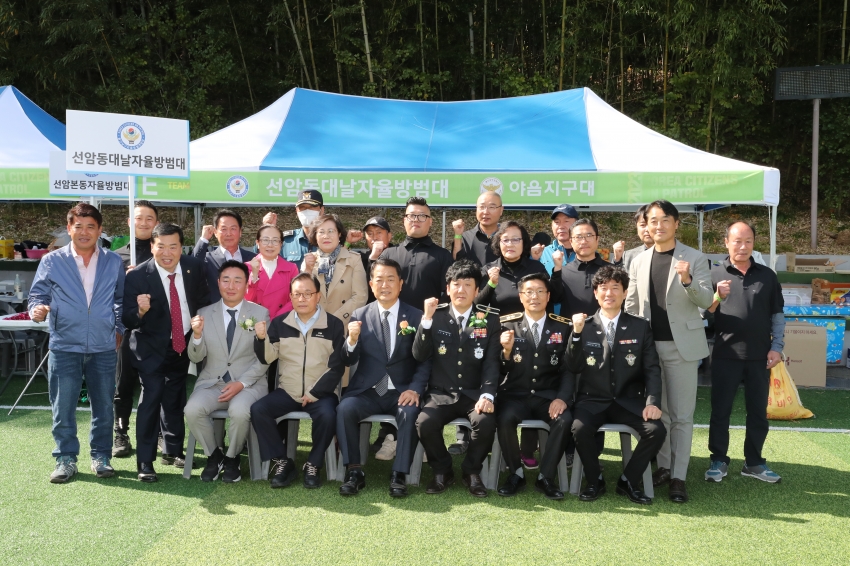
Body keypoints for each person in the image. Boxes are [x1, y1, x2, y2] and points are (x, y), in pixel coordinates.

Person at [29, 203, 125, 483]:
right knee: (63, 407)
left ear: (100, 230)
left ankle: (101, 456)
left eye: (90, 226)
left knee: (104, 406)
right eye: (78, 226)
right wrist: (38, 309)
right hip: (64, 345)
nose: (84, 232)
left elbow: (120, 301)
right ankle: (65, 459)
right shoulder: (52, 260)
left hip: (104, 347)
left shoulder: (112, 261)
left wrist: (117, 327)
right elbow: (37, 296)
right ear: (69, 228)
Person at [625, 200, 713, 503]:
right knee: (655, 414)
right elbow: (632, 306)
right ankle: (662, 467)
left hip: (682, 347)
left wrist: (687, 280)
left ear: (676, 223)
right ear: (645, 226)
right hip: (649, 349)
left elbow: (706, 300)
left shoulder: (695, 258)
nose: (658, 225)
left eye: (664, 220)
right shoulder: (638, 260)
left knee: (682, 416)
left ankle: (679, 476)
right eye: (652, 220)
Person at [568, 265, 666, 505]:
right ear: (595, 293)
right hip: (592, 400)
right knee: (579, 428)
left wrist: (652, 401)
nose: (609, 293)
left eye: (615, 288)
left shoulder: (640, 326)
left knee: (656, 430)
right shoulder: (584, 325)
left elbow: (652, 368)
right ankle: (595, 481)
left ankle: (628, 481)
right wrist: (577, 334)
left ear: (624, 293)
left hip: (628, 400)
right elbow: (572, 366)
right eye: (603, 288)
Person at [336, 258, 432, 498]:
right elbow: (348, 359)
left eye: (391, 279)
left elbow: (425, 359)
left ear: (400, 284)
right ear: (371, 284)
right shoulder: (360, 314)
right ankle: (354, 471)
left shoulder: (415, 315)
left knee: (410, 413)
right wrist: (351, 340)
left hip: (401, 390)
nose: (385, 284)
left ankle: (399, 474)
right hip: (367, 391)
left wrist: (415, 389)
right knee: (345, 409)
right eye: (379, 279)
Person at [123, 223, 211, 482]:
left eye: (173, 246)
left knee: (175, 398)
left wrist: (198, 326)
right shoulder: (137, 276)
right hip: (149, 351)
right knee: (151, 401)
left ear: (181, 248)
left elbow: (203, 300)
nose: (167, 252)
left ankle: (173, 451)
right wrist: (139, 311)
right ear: (152, 247)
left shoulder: (193, 268)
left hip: (181, 346)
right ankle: (145, 462)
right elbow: (127, 319)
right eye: (160, 246)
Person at [705, 221, 785, 484]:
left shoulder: (767, 275)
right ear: (726, 243)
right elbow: (703, 314)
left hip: (760, 356)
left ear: (754, 243)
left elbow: (777, 315)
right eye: (737, 241)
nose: (742, 246)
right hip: (726, 355)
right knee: (720, 411)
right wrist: (717, 296)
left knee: (758, 412)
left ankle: (754, 462)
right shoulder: (714, 274)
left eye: (748, 241)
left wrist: (777, 347)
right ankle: (718, 459)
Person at [413, 260, 500, 498]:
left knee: (485, 423)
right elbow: (419, 355)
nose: (461, 290)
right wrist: (426, 321)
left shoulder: (489, 319)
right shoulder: (436, 316)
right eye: (456, 284)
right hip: (441, 392)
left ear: (476, 290)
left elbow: (492, 361)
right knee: (425, 422)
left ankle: (471, 471)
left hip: (473, 393)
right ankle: (442, 470)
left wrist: (487, 394)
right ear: (447, 288)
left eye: (467, 285)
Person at [250, 273, 346, 489]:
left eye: (307, 294)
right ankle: (282, 461)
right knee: (258, 410)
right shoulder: (279, 324)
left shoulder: (333, 325)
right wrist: (261, 339)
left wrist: (316, 392)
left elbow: (337, 366)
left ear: (318, 296)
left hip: (320, 393)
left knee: (328, 414)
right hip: (288, 390)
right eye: (296, 294)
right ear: (290, 297)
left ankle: (313, 464)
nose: (302, 299)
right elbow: (267, 358)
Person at [185, 260, 271, 483]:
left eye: (237, 280)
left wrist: (241, 384)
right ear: (218, 283)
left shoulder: (260, 314)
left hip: (249, 384)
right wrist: (196, 335)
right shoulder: (204, 313)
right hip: (212, 382)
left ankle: (232, 458)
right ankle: (215, 455)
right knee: (192, 409)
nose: (231, 286)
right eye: (226, 280)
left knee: (240, 411)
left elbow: (265, 358)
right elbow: (195, 357)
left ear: (246, 284)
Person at [496, 273, 574, 500]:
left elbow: (569, 369)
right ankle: (516, 473)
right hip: (514, 395)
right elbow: (498, 368)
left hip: (547, 396)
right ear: (521, 296)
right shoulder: (505, 324)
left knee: (564, 420)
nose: (535, 297)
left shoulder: (563, 327)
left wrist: (562, 398)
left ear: (549, 296)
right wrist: (507, 352)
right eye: (529, 292)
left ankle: (545, 477)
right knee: (504, 418)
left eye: (540, 291)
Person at [113, 199, 158, 458]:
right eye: (138, 218)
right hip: (127, 331)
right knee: (124, 385)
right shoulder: (116, 257)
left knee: (157, 385)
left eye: (149, 219)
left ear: (156, 223)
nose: (143, 223)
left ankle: (161, 434)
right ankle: (121, 433)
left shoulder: (163, 255)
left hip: (156, 332)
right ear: (130, 221)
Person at [379, 196, 453, 310]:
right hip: (394, 322)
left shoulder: (443, 256)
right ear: (404, 220)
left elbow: (450, 293)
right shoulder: (388, 255)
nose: (416, 219)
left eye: (422, 216)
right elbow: (377, 288)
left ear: (430, 222)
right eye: (411, 215)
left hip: (429, 322)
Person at [477, 221, 563, 316]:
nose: (510, 244)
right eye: (505, 240)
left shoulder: (536, 268)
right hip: (500, 328)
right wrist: (491, 284)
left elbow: (555, 298)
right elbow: (477, 306)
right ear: (498, 243)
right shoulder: (489, 269)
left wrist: (557, 268)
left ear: (524, 242)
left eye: (515, 239)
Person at [303, 214, 368, 332]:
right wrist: (307, 269)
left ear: (339, 234)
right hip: (314, 327)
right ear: (315, 236)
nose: (326, 236)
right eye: (321, 232)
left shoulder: (354, 259)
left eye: (331, 231)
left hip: (343, 326)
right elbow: (302, 295)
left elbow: (360, 297)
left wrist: (334, 320)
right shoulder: (309, 260)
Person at [193, 209, 257, 302]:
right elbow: (193, 267)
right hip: (216, 313)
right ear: (215, 232)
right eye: (223, 229)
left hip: (248, 313)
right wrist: (204, 239)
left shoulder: (253, 258)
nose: (229, 233)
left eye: (233, 228)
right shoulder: (208, 259)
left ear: (240, 232)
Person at [559, 219, 613, 319]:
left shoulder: (612, 271)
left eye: (589, 236)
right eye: (578, 237)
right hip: (570, 332)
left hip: (604, 332)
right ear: (571, 241)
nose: (584, 241)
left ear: (597, 239)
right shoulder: (563, 272)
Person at [245, 224, 300, 321]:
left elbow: (295, 299)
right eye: (265, 240)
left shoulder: (291, 269)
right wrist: (253, 275)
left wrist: (275, 320)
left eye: (275, 240)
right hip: (255, 322)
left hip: (283, 322)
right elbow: (245, 300)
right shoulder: (246, 268)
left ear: (281, 244)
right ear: (257, 243)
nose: (270, 245)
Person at [451, 191, 503, 264]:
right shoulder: (465, 237)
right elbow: (456, 264)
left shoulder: (507, 238)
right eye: (482, 207)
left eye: (491, 207)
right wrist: (457, 235)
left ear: (501, 210)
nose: (485, 212)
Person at [357, 216, 395, 304]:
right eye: (370, 234)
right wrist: (347, 242)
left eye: (379, 233)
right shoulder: (361, 257)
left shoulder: (398, 254)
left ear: (389, 236)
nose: (375, 237)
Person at [538, 204, 579, 273]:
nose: (561, 226)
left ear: (577, 224)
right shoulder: (542, 253)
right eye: (557, 222)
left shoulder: (587, 251)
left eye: (566, 221)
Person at [622, 205, 654, 273]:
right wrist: (617, 260)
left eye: (651, 224)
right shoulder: (628, 256)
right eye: (642, 225)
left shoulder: (677, 255)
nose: (647, 229)